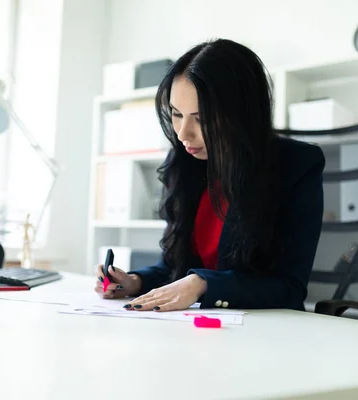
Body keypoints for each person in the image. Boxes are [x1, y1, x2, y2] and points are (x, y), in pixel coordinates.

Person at [94, 39, 325, 312]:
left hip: (263, 332)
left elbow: (288, 287)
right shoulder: (184, 163)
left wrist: (204, 284)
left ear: (242, 114)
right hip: (195, 332)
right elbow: (174, 266)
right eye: (177, 115)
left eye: (201, 119)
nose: (182, 134)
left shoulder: (297, 165)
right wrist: (134, 281)